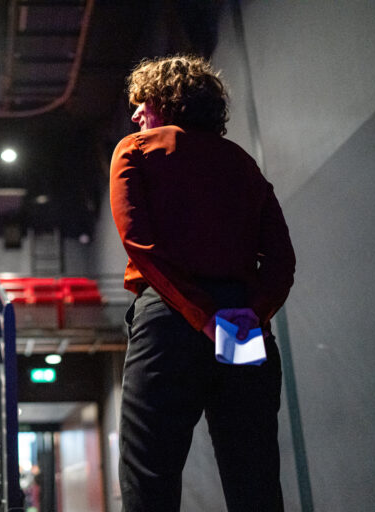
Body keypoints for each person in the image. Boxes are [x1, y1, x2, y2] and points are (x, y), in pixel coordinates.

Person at [110, 55, 295, 512]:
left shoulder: (134, 148)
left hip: (172, 319)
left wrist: (201, 316)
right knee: (254, 477)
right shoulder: (243, 163)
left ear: (165, 102)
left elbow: (141, 246)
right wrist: (254, 313)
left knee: (148, 474)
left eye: (143, 103)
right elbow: (281, 260)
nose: (135, 115)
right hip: (243, 324)